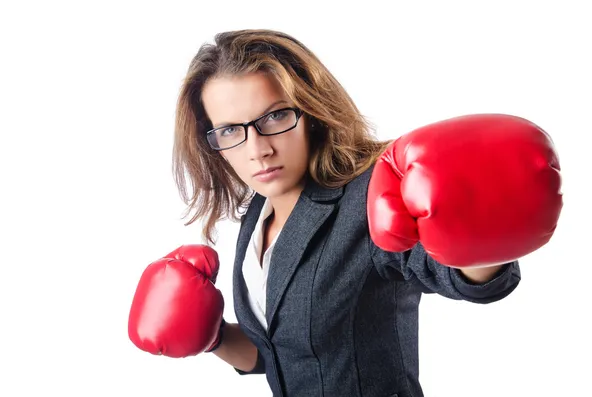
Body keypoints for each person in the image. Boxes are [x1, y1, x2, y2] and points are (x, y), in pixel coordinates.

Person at [128, 29, 563, 396]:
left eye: (276, 117)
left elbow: (462, 279)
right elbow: (278, 354)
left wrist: (485, 234)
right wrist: (214, 337)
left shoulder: (370, 196)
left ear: (312, 113)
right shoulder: (258, 213)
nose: (258, 149)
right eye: (230, 130)